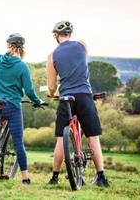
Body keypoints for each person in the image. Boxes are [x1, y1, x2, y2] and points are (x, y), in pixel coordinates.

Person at [0, 33, 44, 185]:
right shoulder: (22, 66)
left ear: (8, 46)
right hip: (11, 106)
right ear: (22, 49)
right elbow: (29, 91)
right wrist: (38, 101)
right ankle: (25, 178)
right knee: (18, 143)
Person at [46, 21, 109, 187]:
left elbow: (52, 87)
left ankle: (54, 177)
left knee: (61, 138)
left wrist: (52, 94)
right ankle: (101, 177)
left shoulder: (52, 55)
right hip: (84, 95)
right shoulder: (82, 45)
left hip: (66, 97)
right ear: (70, 33)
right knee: (92, 137)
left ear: (55, 36)